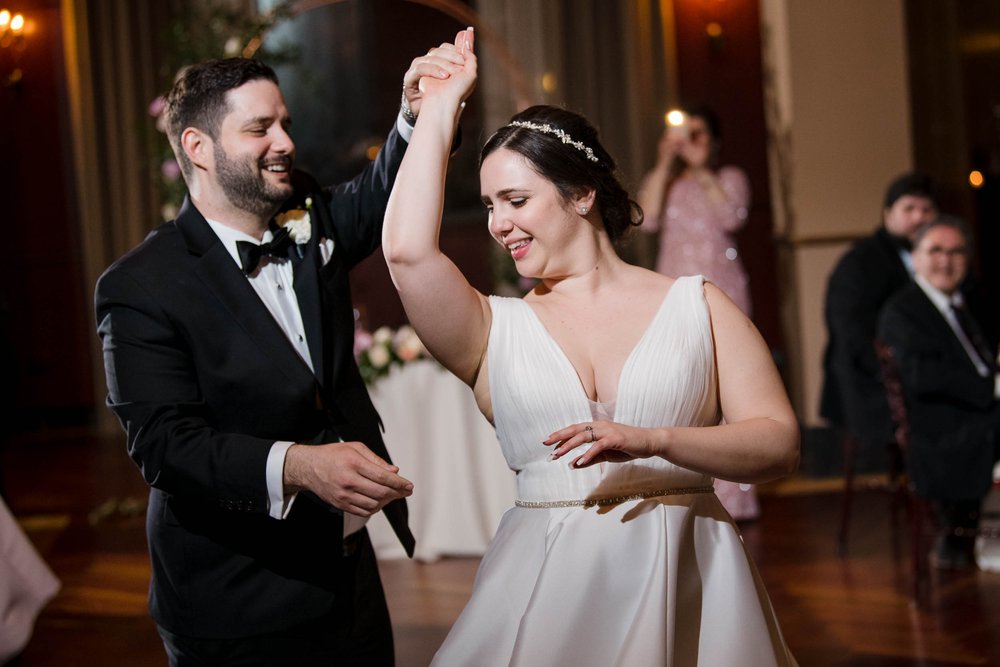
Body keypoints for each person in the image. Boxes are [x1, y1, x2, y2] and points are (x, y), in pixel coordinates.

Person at [383, 29, 800, 665]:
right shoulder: (492, 329)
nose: (498, 224)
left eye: (516, 200)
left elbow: (778, 443)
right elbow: (408, 252)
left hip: (694, 584)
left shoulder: (698, 305)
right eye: (490, 205)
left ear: (582, 193)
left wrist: (656, 440)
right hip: (546, 595)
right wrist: (437, 111)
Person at [95, 42, 469, 665]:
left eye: (285, 124)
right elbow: (165, 445)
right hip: (236, 597)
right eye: (259, 128)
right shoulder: (140, 285)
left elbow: (382, 193)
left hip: (348, 581)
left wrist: (418, 114)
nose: (285, 142)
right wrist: (299, 466)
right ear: (197, 147)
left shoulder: (307, 213)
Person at [637, 104, 758, 520]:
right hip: (672, 291)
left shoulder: (729, 178)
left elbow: (733, 215)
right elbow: (645, 219)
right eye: (685, 134)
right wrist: (664, 161)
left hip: (723, 288)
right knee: (682, 384)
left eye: (699, 134)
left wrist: (702, 169)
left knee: (727, 387)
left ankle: (735, 495)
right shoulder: (667, 184)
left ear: (715, 142)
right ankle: (683, 484)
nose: (691, 142)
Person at [877, 216, 1000, 570]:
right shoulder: (903, 311)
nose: (946, 260)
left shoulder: (965, 301)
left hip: (975, 413)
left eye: (956, 251)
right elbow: (923, 377)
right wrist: (992, 387)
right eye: (936, 251)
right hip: (941, 431)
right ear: (915, 257)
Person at [820, 172, 938, 468]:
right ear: (888, 214)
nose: (919, 218)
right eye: (909, 209)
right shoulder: (860, 263)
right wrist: (897, 377)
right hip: (868, 382)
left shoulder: (941, 258)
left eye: (926, 210)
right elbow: (851, 334)